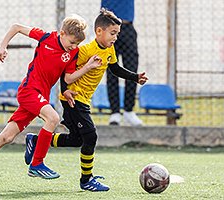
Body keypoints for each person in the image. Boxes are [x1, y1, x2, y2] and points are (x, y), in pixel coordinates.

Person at [0, 14, 102, 187]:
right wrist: (2, 46)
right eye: (72, 42)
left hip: (40, 97)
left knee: (6, 138)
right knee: (52, 118)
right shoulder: (46, 37)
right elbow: (16, 26)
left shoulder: (73, 52)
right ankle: (37, 163)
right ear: (62, 33)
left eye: (77, 44)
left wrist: (86, 69)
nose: (74, 47)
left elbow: (67, 78)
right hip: (29, 90)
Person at [24, 9, 148, 192]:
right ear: (99, 31)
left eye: (117, 34)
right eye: (112, 33)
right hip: (74, 99)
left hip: (84, 100)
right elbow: (65, 69)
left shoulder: (109, 49)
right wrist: (65, 91)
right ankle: (86, 180)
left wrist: (135, 77)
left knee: (76, 139)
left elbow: (114, 69)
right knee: (91, 136)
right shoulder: (85, 50)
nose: (115, 38)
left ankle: (36, 141)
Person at [101, 0, 142, 126]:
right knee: (112, 70)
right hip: (109, 28)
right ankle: (115, 112)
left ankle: (129, 110)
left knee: (131, 69)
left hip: (127, 27)